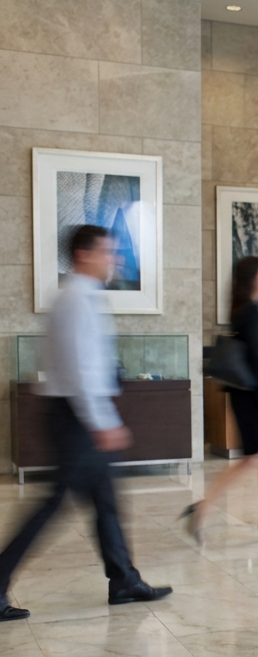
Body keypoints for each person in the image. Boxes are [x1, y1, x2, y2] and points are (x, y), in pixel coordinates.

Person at [0, 225, 172, 621]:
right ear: (84, 255)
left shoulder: (77, 296)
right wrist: (102, 422)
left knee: (106, 501)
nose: (115, 260)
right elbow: (81, 370)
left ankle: (125, 579)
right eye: (108, 252)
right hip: (77, 418)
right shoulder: (77, 299)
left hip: (73, 415)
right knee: (54, 506)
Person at [182, 257, 258, 543]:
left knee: (254, 458)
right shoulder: (249, 313)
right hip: (254, 398)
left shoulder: (246, 311)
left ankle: (207, 507)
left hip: (249, 397)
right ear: (252, 278)